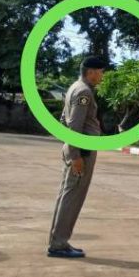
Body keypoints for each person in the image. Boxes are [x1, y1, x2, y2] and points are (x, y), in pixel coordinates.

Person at [48, 55, 107, 259]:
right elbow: (74, 126)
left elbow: (64, 119)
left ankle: (58, 241)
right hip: (82, 151)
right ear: (91, 72)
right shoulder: (84, 92)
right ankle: (58, 244)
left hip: (76, 148)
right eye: (100, 72)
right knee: (72, 197)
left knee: (67, 195)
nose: (102, 76)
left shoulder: (74, 87)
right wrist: (75, 156)